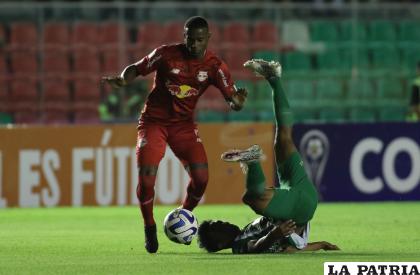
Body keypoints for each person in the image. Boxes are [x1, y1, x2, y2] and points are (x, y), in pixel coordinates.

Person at [102, 16, 247, 253]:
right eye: (190, 39)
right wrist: (122, 79)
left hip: (184, 126)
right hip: (153, 123)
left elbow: (233, 99)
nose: (194, 44)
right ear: (185, 37)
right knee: (147, 176)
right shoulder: (166, 54)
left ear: (208, 39)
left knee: (201, 179)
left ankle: (184, 216)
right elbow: (137, 68)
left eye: (200, 40)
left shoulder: (215, 66)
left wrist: (238, 103)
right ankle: (149, 227)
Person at [197, 59, 339, 253]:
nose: (222, 222)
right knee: (250, 198)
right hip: (300, 208)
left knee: (283, 139)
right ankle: (253, 162)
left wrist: (321, 245)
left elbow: (291, 250)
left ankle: (274, 78)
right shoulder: (239, 247)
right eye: (217, 227)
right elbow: (256, 247)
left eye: (217, 221)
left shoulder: (248, 229)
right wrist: (275, 234)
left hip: (300, 193)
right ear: (220, 244)